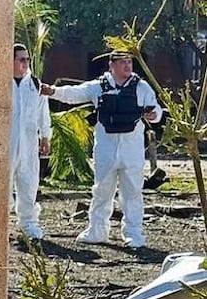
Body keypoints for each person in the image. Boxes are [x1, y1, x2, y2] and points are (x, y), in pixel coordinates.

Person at [40, 51, 161, 248]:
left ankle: (133, 233)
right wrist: (52, 91)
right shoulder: (99, 86)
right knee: (102, 190)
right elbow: (75, 93)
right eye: (122, 62)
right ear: (111, 65)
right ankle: (97, 230)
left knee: (132, 192)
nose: (127, 66)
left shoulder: (142, 87)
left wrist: (153, 115)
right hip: (106, 148)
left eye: (129, 62)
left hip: (132, 150)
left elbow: (156, 111)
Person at [10, 43, 51, 239]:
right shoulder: (1, 83)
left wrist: (45, 136)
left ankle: (28, 224)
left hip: (28, 144)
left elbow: (44, 112)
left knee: (28, 184)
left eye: (27, 59)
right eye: (21, 59)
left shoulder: (34, 84)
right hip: (6, 145)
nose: (25, 63)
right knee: (2, 187)